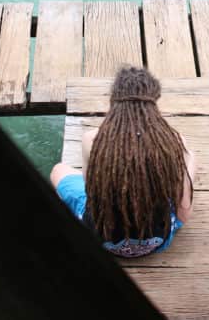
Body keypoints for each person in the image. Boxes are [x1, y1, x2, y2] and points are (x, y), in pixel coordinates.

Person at [50, 66, 196, 257]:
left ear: (113, 100)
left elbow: (90, 193)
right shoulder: (173, 141)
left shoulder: (93, 140)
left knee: (58, 170)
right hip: (155, 242)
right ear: (154, 101)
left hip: (103, 241)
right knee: (191, 157)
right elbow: (183, 213)